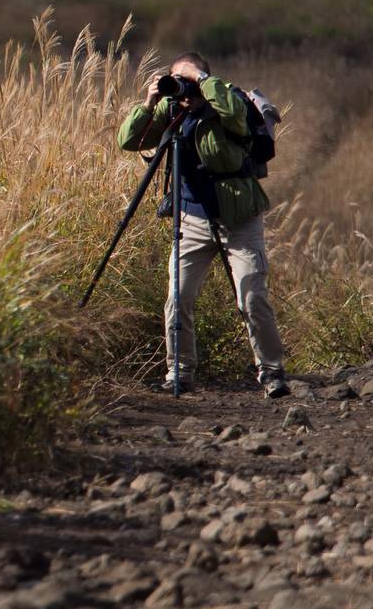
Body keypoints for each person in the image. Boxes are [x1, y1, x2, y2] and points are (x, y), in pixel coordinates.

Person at [117, 52, 289, 398]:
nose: (183, 88)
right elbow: (129, 140)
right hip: (191, 219)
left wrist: (203, 81)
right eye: (176, 80)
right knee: (177, 297)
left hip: (238, 219)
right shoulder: (171, 111)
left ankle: (272, 373)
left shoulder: (228, 103)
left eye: (189, 80)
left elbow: (236, 115)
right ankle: (179, 374)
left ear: (205, 79)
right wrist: (149, 102)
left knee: (251, 295)